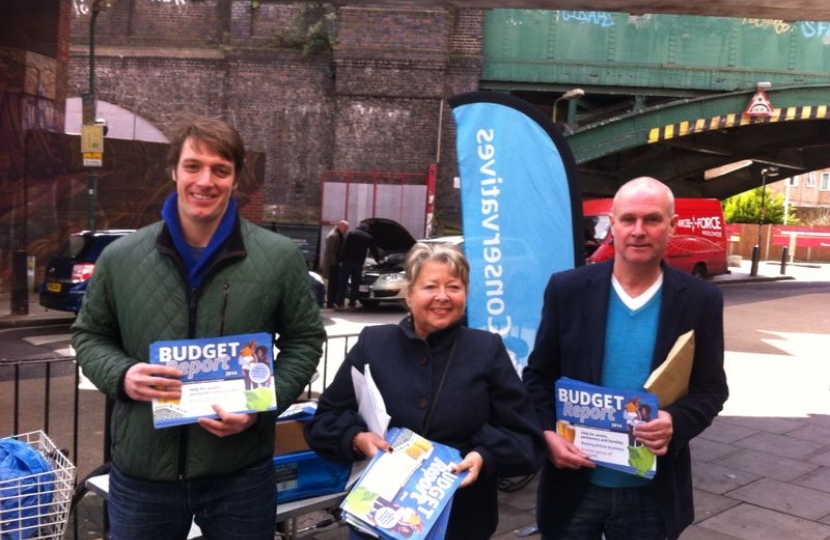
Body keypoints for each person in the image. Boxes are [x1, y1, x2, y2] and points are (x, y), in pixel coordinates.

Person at [71, 116, 326, 540]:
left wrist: (263, 404)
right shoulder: (121, 257)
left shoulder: (279, 257)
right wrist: (122, 375)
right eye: (193, 166)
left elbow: (304, 341)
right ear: (174, 171)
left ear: (235, 178)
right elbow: (88, 335)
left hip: (239, 473)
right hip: (144, 472)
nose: (204, 181)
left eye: (220, 169)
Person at [523, 177, 729, 540]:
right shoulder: (566, 290)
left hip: (652, 491)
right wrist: (545, 435)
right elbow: (538, 377)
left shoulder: (700, 300)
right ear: (612, 224)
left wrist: (674, 422)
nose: (639, 231)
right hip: (574, 485)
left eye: (652, 219)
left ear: (672, 226)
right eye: (628, 219)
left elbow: (711, 389)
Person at [304, 242, 545, 540]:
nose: (443, 296)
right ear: (409, 294)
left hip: (461, 519)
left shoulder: (486, 349)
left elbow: (525, 436)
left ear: (465, 294)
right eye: (430, 286)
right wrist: (357, 438)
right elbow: (325, 419)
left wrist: (484, 456)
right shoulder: (373, 344)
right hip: (379, 520)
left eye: (454, 287)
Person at [334, 221, 379, 310]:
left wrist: (340, 259)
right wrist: (379, 261)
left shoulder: (351, 233)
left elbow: (344, 247)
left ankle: (340, 304)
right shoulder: (368, 237)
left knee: (343, 283)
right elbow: (374, 251)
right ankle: (352, 304)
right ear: (367, 229)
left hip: (347, 262)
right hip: (358, 264)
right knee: (355, 284)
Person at [322, 220, 349, 308]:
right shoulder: (334, 236)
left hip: (334, 263)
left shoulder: (338, 234)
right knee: (332, 284)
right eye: (346, 228)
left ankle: (332, 301)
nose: (346, 230)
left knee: (334, 283)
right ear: (341, 227)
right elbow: (330, 252)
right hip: (332, 264)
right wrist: (335, 263)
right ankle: (330, 302)